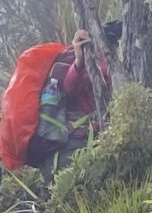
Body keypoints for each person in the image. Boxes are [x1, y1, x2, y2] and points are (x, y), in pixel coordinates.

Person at [24, 20, 121, 170]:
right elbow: (70, 86)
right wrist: (79, 61)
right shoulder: (98, 65)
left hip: (78, 139)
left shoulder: (88, 62)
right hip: (80, 138)